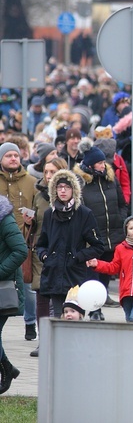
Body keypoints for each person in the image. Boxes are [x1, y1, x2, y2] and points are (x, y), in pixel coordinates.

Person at [36, 169, 105, 318]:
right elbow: (41, 243)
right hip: (54, 273)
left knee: (74, 317)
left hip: (74, 275)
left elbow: (98, 245)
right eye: (59, 187)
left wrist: (78, 257)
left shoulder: (84, 214)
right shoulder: (50, 213)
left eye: (66, 187)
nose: (62, 191)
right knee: (57, 317)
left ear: (74, 190)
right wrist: (44, 256)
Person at [74, 139, 128, 320]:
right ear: (90, 164)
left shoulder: (110, 180)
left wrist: (120, 219)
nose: (103, 165)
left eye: (103, 162)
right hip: (93, 237)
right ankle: (94, 309)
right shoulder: (81, 183)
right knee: (92, 273)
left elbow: (121, 203)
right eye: (99, 162)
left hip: (112, 233)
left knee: (106, 271)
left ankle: (100, 302)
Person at [25, 157, 66, 358]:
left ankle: (62, 340)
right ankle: (44, 341)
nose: (48, 176)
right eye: (46, 172)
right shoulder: (39, 195)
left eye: (53, 172)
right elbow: (35, 226)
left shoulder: (69, 195)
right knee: (42, 297)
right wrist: (28, 222)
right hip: (41, 253)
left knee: (64, 300)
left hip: (64, 255)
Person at [86, 216, 133, 323]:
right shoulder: (121, 248)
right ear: (126, 231)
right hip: (125, 291)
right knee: (128, 318)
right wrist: (97, 264)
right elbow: (113, 267)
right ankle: (131, 337)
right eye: (131, 228)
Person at [0, 142, 37, 341]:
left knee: (28, 287)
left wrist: (33, 220)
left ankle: (30, 323)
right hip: (2, 244)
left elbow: (38, 208)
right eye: (8, 155)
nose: (13, 158)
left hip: (24, 241)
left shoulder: (31, 182)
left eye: (16, 155)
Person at [0, 192, 28, 394]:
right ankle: (8, 369)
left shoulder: (4, 217)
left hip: (4, 287)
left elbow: (20, 250)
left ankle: (7, 370)